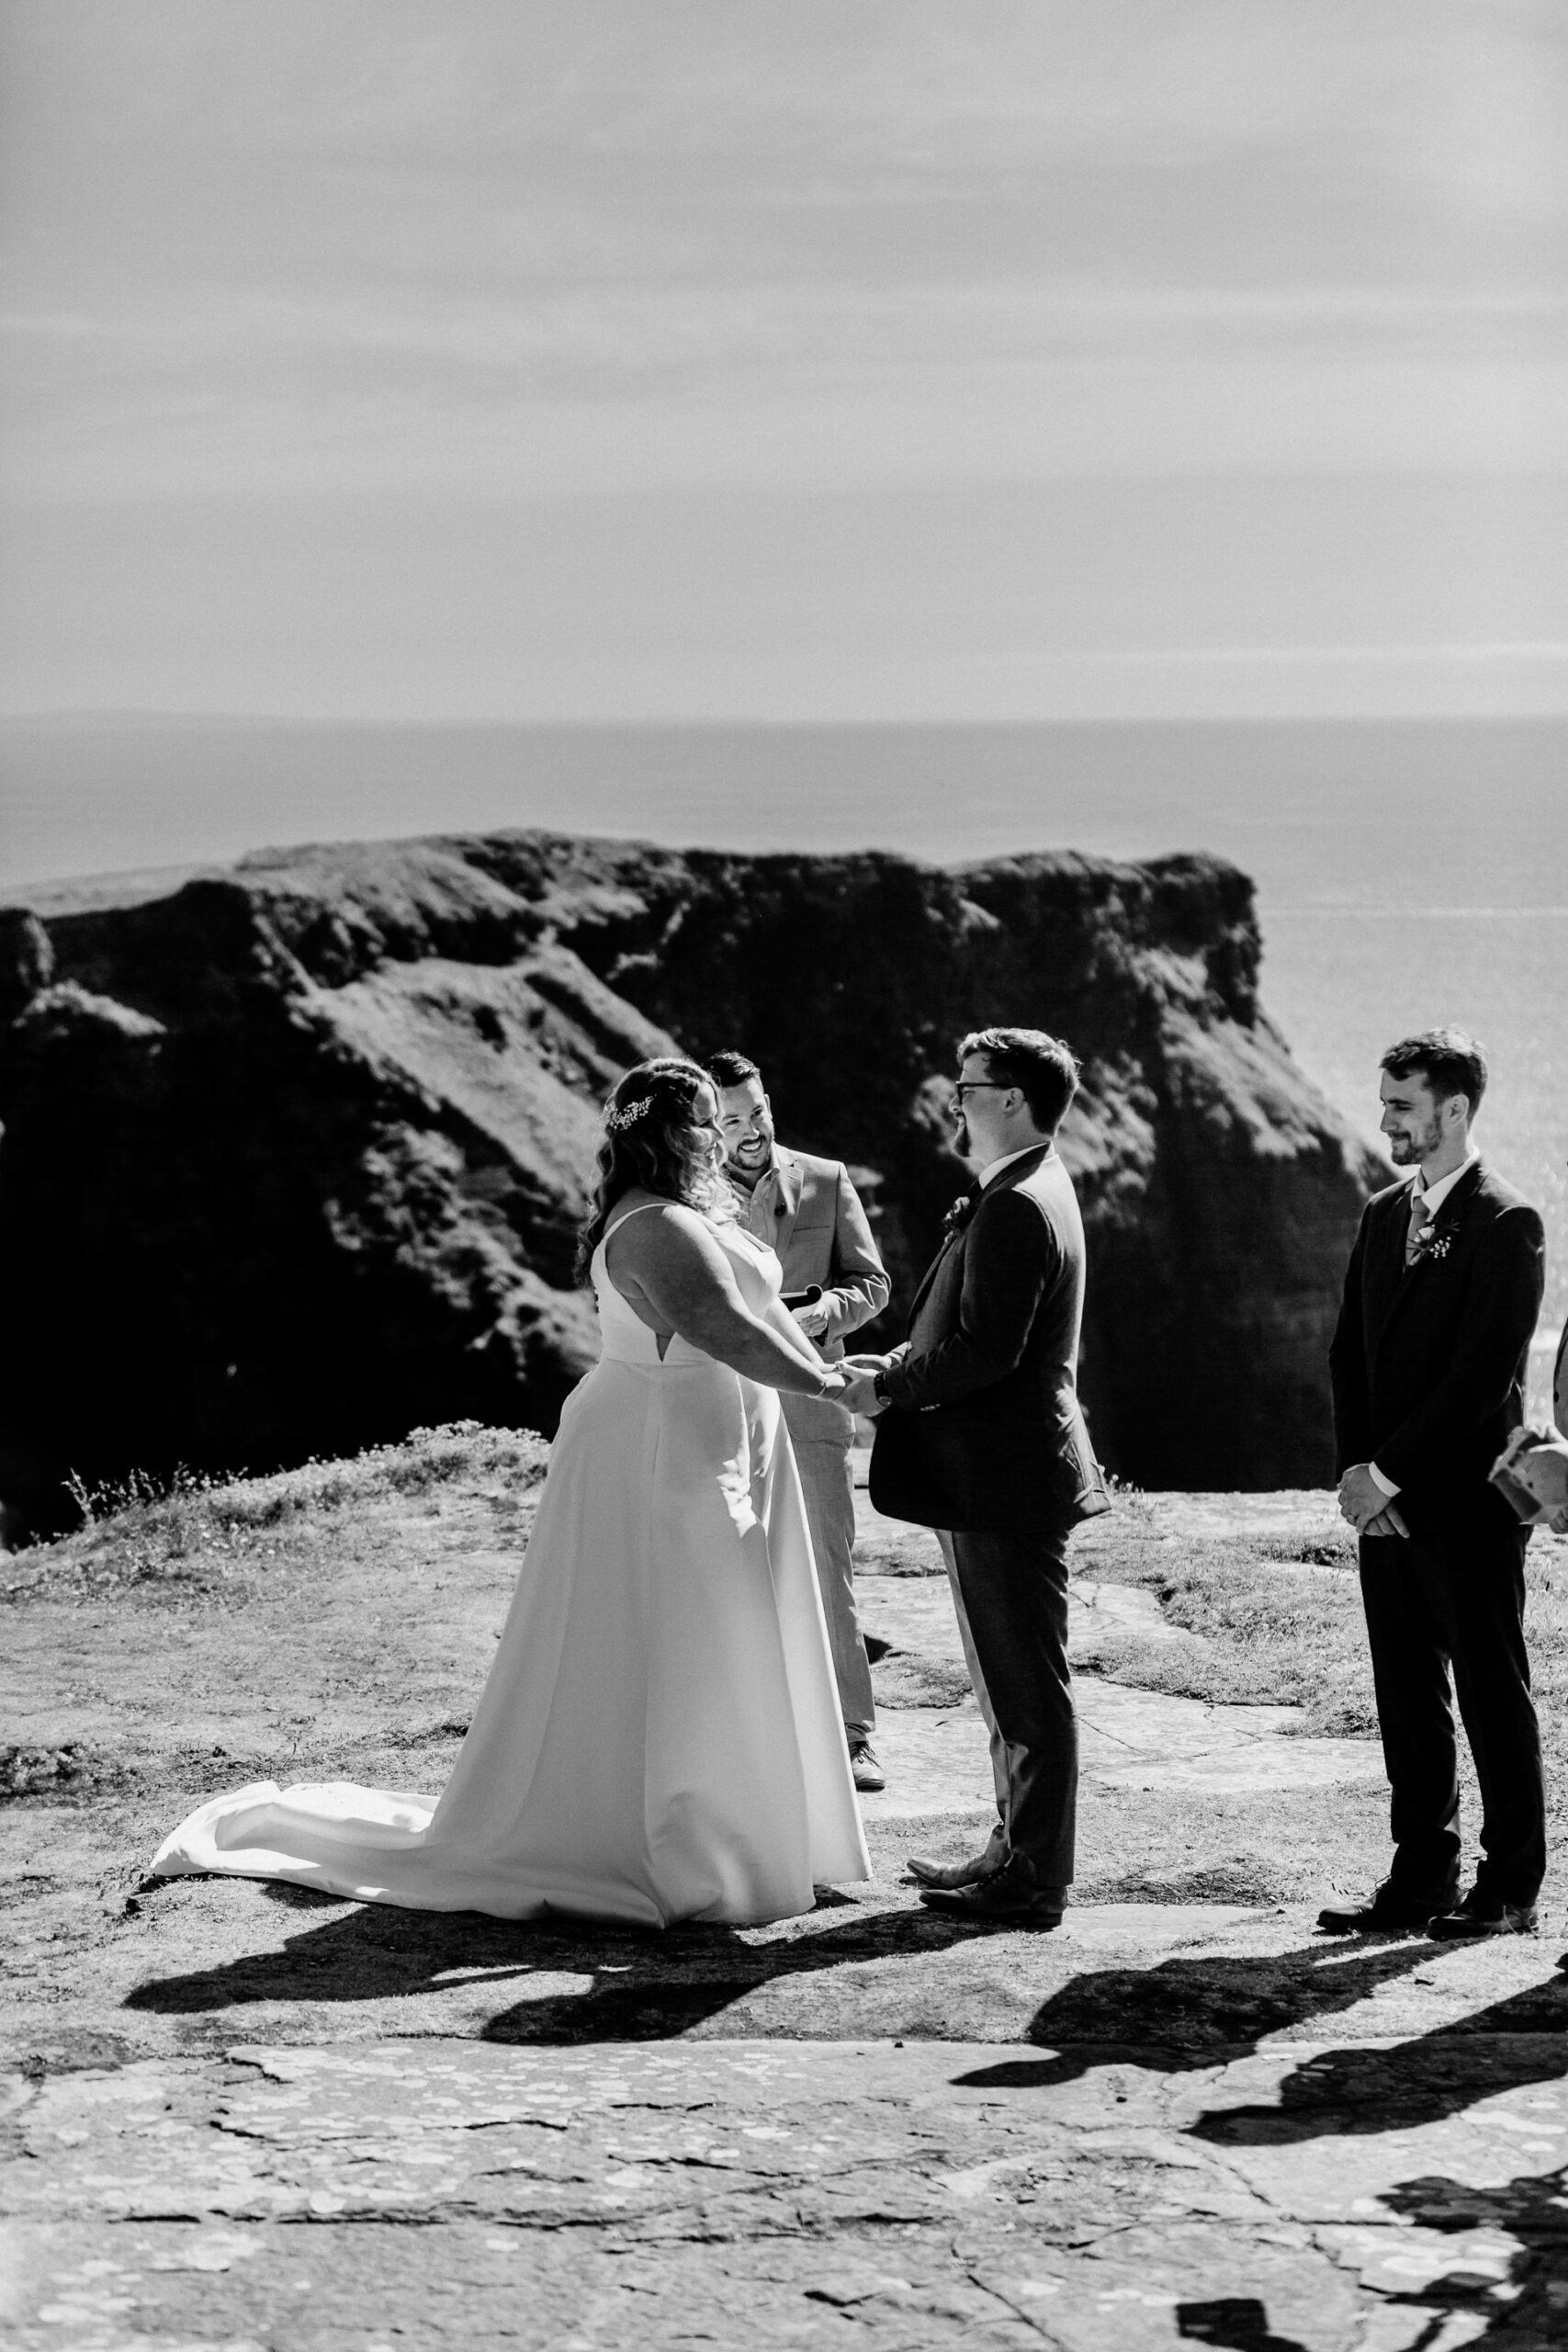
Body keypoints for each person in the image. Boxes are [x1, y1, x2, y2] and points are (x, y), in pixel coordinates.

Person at [150, 1057, 869, 1928]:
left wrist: (823, 1361)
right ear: (674, 1134)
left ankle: (746, 1827)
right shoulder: (655, 1228)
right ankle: (682, 1839)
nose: (726, 1138)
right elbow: (728, 1331)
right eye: (711, 1122)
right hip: (663, 1444)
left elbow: (760, 1320)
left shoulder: (685, 1212)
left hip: (717, 1433)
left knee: (722, 1625)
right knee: (689, 1629)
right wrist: (833, 1388)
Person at [840, 1026, 1110, 1930]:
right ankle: (1013, 1847)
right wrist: (902, 1357)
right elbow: (974, 1335)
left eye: (968, 1088)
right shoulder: (1023, 1190)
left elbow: (988, 1353)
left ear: (1012, 1101)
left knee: (1027, 1684)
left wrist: (887, 1386)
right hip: (995, 1473)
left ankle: (1034, 1879)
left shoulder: (1019, 1204)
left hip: (1008, 1477)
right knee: (1007, 1681)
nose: (953, 1101)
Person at [1322, 1029, 1546, 1941]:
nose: (1387, 1122)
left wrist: (1386, 1472)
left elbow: (1481, 1377)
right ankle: (1420, 1875)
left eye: (1403, 1105)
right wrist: (1356, 1475)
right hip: (1388, 1506)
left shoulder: (1508, 1222)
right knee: (1407, 1694)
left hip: (1469, 1506)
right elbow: (1349, 1353)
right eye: (1384, 1103)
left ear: (1455, 1111)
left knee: (1495, 1694)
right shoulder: (1382, 1213)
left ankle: (1510, 1888)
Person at [706, 1049, 892, 1792]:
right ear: (707, 1124)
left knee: (826, 1565)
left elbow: (873, 1283)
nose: (750, 1131)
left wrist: (820, 1312)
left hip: (811, 1405)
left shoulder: (825, 1177)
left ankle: (853, 1735)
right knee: (725, 1564)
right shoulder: (688, 1197)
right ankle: (745, 1732)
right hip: (721, 1404)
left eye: (757, 1113)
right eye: (731, 1121)